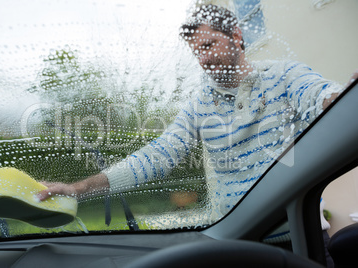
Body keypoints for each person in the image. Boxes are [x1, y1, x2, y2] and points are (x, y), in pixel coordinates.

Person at [37, 5, 350, 218]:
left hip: (298, 229)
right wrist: (78, 190)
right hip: (239, 237)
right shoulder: (200, 107)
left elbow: (321, 98)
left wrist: (347, 96)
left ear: (236, 36)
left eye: (210, 44)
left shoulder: (284, 76)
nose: (204, 58)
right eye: (198, 51)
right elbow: (154, 158)